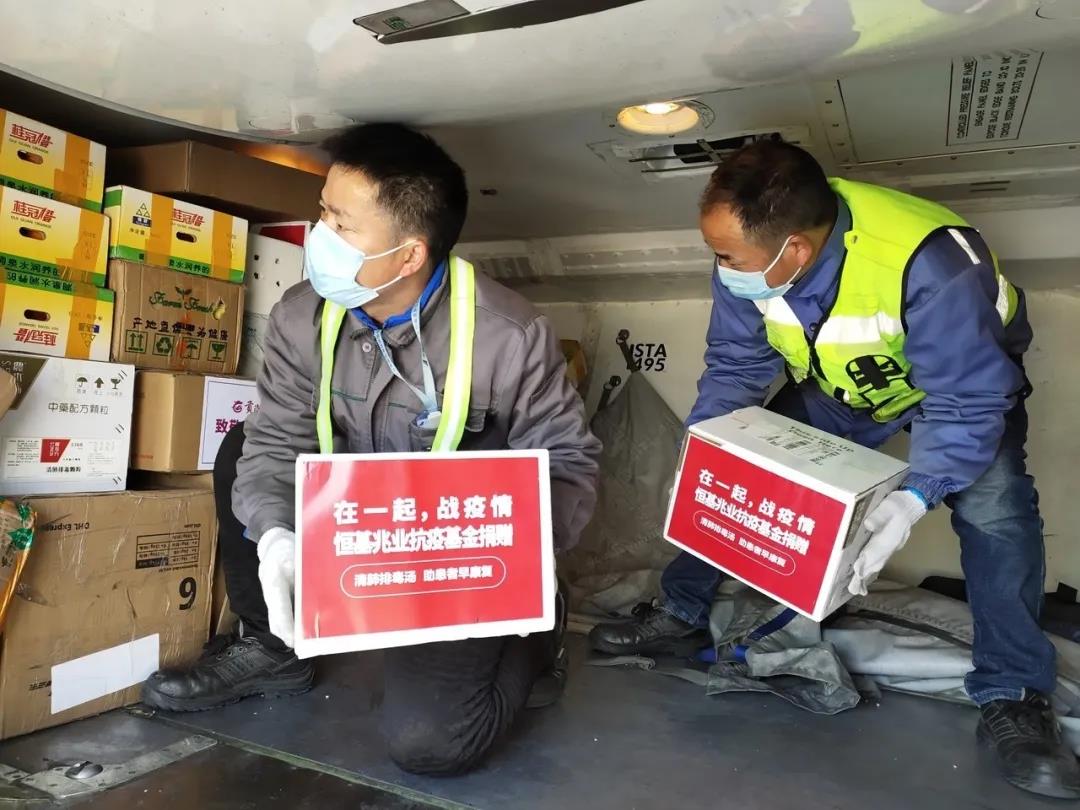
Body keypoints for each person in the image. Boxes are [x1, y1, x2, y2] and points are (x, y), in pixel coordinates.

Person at [588, 141, 1079, 800]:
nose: (721, 268)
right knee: (742, 471)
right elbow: (736, 366)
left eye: (728, 257)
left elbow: (966, 401)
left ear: (795, 250)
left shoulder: (931, 263)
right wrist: (704, 452)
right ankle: (681, 608)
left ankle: (1014, 694)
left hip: (960, 392)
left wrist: (913, 497)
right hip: (841, 388)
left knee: (998, 513)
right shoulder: (750, 259)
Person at [142, 123, 601, 776]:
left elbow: (568, 464)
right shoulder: (301, 316)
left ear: (408, 256)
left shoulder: (508, 335)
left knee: (429, 743)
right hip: (358, 516)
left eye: (340, 222)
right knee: (239, 447)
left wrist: (516, 559)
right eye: (322, 211)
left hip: (449, 548)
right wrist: (276, 536)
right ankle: (277, 646)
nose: (319, 234)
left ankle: (534, 627)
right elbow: (277, 439)